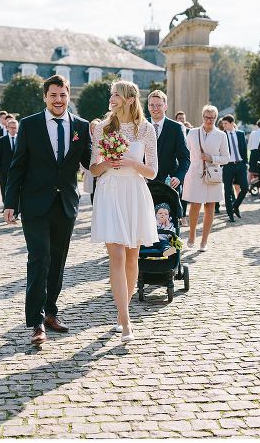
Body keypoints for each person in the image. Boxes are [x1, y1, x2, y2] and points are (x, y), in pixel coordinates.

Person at [3, 75, 92, 346]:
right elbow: (17, 166)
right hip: (34, 204)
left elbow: (90, 161)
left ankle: (51, 312)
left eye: (63, 95)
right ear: (45, 97)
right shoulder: (30, 125)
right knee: (39, 259)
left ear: (69, 96)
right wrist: (10, 203)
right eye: (53, 95)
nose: (58, 100)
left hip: (65, 204)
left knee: (57, 261)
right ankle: (37, 322)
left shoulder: (81, 126)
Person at [90, 80, 158, 343]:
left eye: (116, 95)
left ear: (130, 99)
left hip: (135, 192)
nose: (112, 98)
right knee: (116, 256)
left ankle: (122, 313)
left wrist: (131, 162)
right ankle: (126, 321)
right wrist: (107, 162)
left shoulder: (146, 130)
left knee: (132, 259)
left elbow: (152, 171)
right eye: (111, 95)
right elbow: (94, 169)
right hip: (110, 191)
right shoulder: (103, 128)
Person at [182, 105, 230, 251]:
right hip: (195, 171)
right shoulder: (192, 133)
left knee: (210, 206)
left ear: (216, 119)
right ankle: (191, 235)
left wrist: (212, 158)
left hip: (212, 173)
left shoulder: (221, 135)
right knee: (195, 205)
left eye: (212, 118)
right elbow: (187, 152)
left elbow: (226, 158)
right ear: (202, 117)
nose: (209, 120)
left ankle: (204, 240)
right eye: (206, 117)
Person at [147, 90, 190, 191]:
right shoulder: (141, 126)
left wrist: (179, 177)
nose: (155, 108)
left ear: (165, 106)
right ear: (148, 106)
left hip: (169, 183)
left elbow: (184, 158)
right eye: (152, 105)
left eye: (159, 105)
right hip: (145, 183)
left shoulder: (176, 128)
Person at [220, 115, 249, 222]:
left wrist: (246, 163)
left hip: (240, 165)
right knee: (227, 190)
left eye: (225, 123)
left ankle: (235, 206)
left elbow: (244, 149)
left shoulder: (240, 134)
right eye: (223, 124)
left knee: (245, 188)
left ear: (232, 123)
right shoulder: (222, 135)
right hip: (227, 165)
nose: (223, 125)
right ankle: (230, 214)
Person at [0, 116, 19, 216]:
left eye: (15, 128)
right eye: (11, 127)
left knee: (18, 190)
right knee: (5, 188)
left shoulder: (21, 139)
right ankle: (7, 207)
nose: (13, 130)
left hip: (18, 170)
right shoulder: (2, 140)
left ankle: (17, 211)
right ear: (7, 128)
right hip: (5, 170)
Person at [81, 118, 102, 204]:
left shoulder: (103, 138)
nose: (94, 129)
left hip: (101, 166)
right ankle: (93, 203)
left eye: (96, 127)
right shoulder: (88, 139)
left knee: (99, 187)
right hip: (91, 167)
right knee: (92, 189)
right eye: (92, 127)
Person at [247, 119, 260, 184]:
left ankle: (248, 184)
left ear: (257, 125)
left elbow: (249, 145)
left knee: (251, 170)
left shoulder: (253, 133)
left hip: (254, 152)